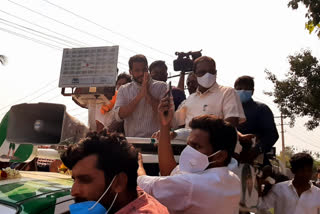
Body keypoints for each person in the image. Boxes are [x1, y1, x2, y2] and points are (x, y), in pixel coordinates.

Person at [137, 95, 241, 214]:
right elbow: (170, 172)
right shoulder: (233, 180)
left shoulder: (192, 185)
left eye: (196, 146)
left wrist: (138, 163)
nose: (188, 151)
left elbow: (142, 183)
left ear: (220, 156)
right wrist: (165, 126)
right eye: (188, 145)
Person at [61, 131, 169, 214]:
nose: (73, 191)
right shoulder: (133, 196)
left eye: (85, 180)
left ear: (119, 182)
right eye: (74, 180)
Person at [173, 56, 245, 128]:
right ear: (195, 74)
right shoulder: (189, 99)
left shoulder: (227, 92)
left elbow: (231, 126)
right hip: (189, 139)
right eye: (202, 72)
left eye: (211, 71)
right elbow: (174, 123)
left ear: (216, 73)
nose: (208, 75)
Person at [114, 55, 167, 137]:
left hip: (155, 142)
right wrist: (140, 96)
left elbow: (165, 114)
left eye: (144, 70)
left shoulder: (161, 86)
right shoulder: (124, 89)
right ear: (130, 72)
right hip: (133, 142)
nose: (141, 73)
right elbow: (119, 116)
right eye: (137, 70)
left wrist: (147, 94)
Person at [234, 76, 279, 166]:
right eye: (239, 88)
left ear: (252, 91)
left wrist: (256, 150)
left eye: (246, 89)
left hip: (255, 161)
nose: (242, 91)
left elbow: (272, 135)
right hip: (232, 158)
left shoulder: (261, 109)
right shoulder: (228, 109)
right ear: (234, 90)